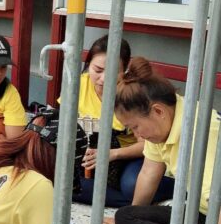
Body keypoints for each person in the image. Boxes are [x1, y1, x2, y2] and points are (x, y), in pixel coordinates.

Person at [104, 57, 221, 224]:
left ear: (158, 111)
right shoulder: (164, 123)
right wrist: (133, 213)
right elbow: (149, 172)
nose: (137, 135)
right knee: (125, 217)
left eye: (136, 127)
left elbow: (219, 205)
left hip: (216, 214)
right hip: (204, 216)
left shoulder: (200, 131)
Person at [69, 36, 174, 207]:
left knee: (132, 185)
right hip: (88, 155)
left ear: (125, 71)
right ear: (88, 65)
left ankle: (168, 189)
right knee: (56, 175)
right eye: (97, 70)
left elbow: (147, 144)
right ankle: (123, 200)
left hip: (128, 157)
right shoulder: (76, 84)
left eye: (111, 72)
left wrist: (112, 154)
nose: (102, 78)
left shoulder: (130, 94)